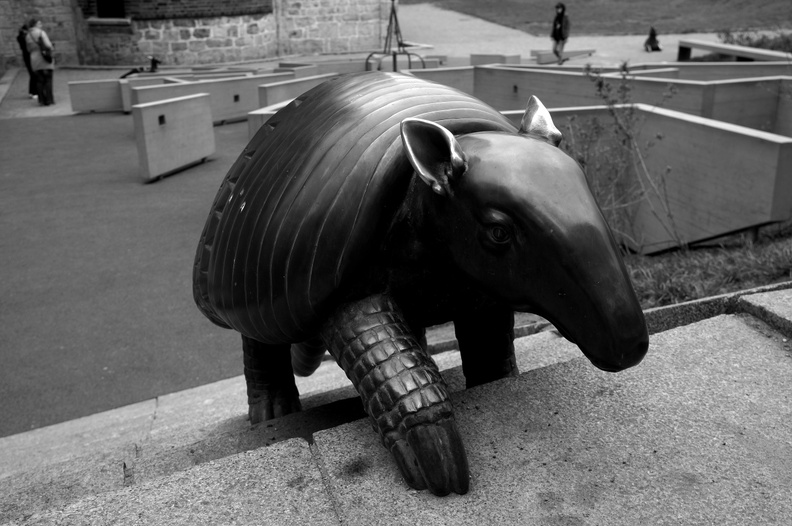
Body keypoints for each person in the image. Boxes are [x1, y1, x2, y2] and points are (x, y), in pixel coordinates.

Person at [25, 18, 55, 106]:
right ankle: (49, 99)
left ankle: (41, 100)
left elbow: (28, 49)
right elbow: (48, 45)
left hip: (34, 58)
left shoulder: (28, 35)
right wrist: (52, 48)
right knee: (48, 80)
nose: (41, 25)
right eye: (39, 23)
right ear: (35, 24)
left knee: (39, 81)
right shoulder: (41, 33)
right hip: (44, 58)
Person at [15, 22, 37, 99]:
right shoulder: (24, 37)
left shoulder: (21, 37)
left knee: (32, 73)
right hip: (29, 55)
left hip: (26, 56)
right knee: (33, 73)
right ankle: (33, 92)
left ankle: (32, 91)